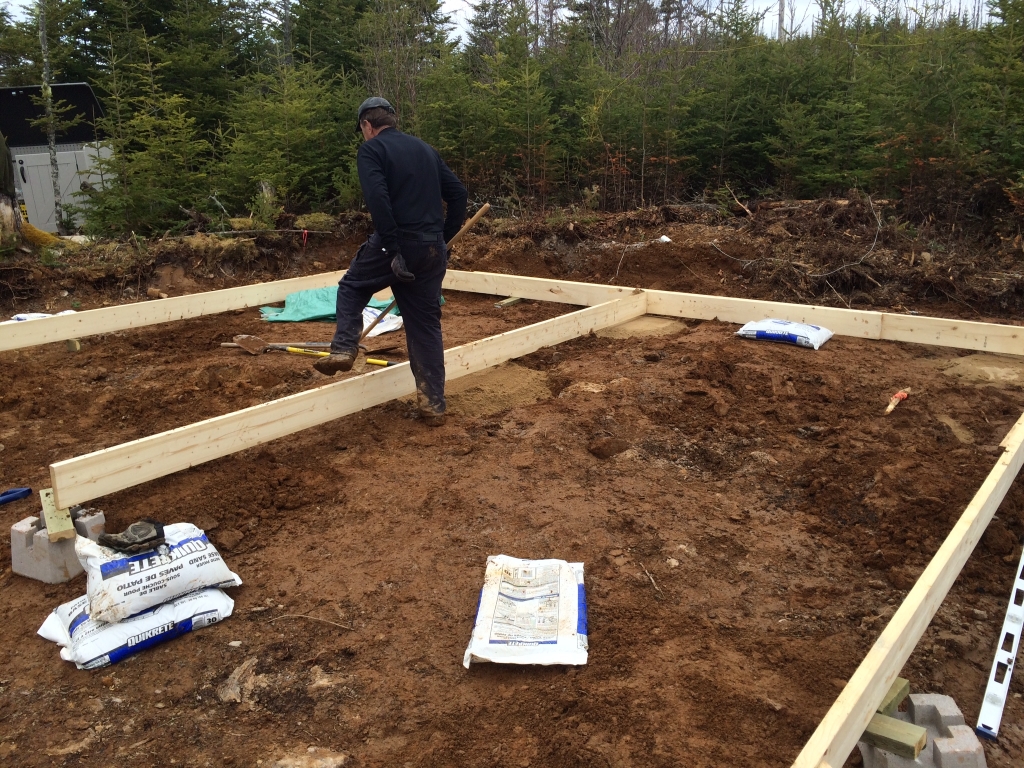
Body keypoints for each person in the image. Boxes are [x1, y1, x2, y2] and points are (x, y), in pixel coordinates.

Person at [314, 97, 467, 427]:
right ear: (392, 121)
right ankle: (433, 404)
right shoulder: (425, 149)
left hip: (397, 243)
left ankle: (343, 348)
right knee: (425, 326)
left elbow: (378, 199)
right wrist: (442, 237)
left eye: (362, 131)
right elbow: (458, 194)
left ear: (368, 126)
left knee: (353, 286)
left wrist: (394, 247)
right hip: (430, 249)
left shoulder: (372, 150)